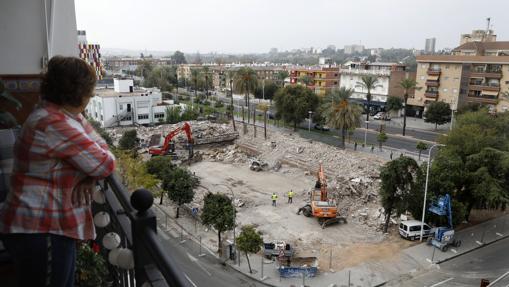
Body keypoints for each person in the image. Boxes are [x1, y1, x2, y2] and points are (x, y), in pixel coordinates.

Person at [0, 56, 116, 287]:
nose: (91, 96)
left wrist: (90, 176)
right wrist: (93, 172)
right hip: (41, 228)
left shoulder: (53, 114)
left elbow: (98, 151)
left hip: (40, 226)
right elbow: (105, 163)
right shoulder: (55, 124)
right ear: (77, 93)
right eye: (89, 92)